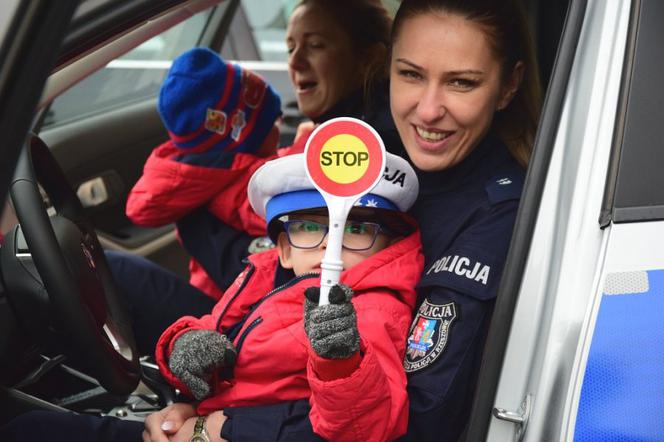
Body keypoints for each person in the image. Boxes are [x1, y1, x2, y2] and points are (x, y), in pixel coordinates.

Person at [1, 0, 542, 439]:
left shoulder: (497, 217)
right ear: (387, 69)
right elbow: (268, 288)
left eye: (462, 83)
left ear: (509, 86)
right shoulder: (366, 144)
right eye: (410, 74)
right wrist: (192, 377)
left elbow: (415, 422)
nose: (427, 110)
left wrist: (222, 429)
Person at [108, 0, 395, 357]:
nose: (295, 61)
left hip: (266, 326)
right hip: (260, 312)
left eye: (316, 45)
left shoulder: (360, 150)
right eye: (291, 47)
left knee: (109, 268)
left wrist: (197, 217)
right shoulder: (336, 131)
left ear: (369, 57)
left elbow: (280, 271)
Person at [154, 150, 422, 441]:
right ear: (284, 250)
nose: (331, 243)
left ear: (385, 245)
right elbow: (214, 325)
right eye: (308, 227)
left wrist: (341, 362)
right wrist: (182, 344)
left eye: (355, 228)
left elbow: (370, 426)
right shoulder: (262, 277)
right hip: (202, 415)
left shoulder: (375, 311)